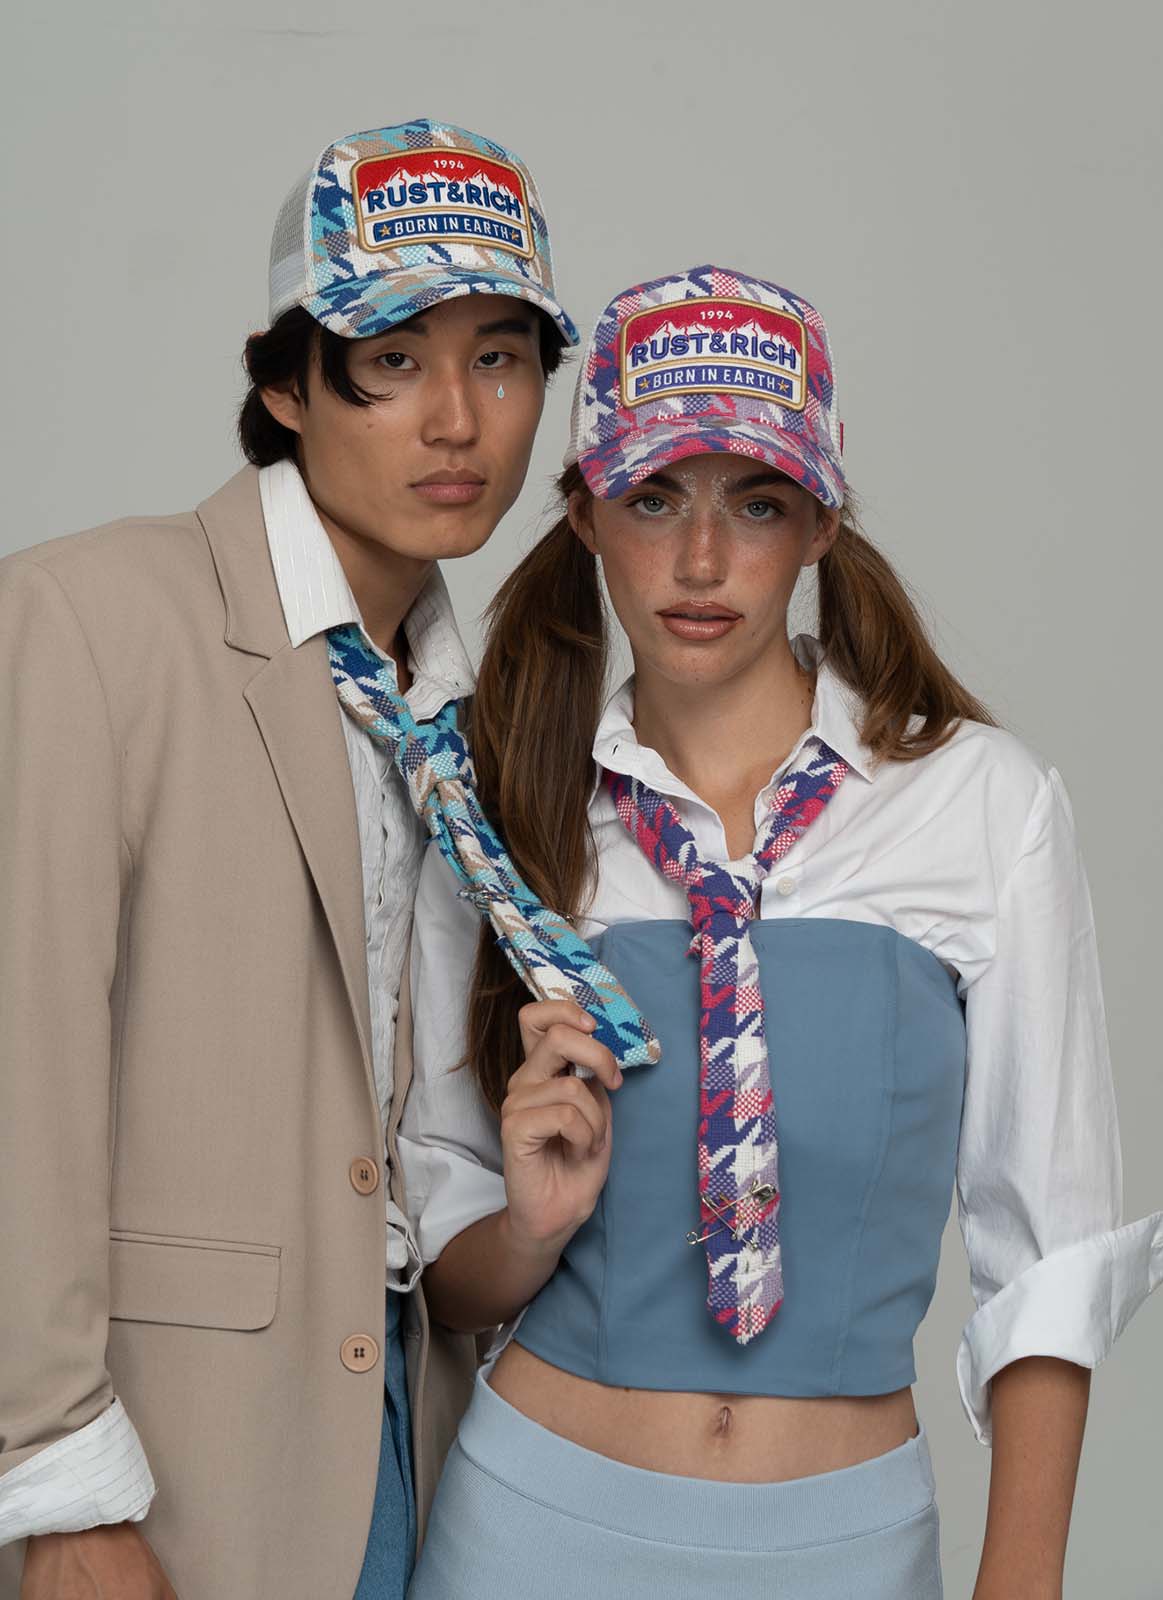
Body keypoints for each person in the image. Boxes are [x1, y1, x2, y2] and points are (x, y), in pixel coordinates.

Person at [397, 265, 1163, 1598]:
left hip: (847, 1549)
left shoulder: (983, 809)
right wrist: (529, 1227)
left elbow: (1047, 1241)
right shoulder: (503, 813)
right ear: (586, 513)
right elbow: (450, 1266)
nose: (703, 563)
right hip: (532, 1522)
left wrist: (1025, 1574)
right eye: (654, 500)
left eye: (755, 504)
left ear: (819, 525)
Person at [0, 118, 576, 1600]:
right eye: (393, 359)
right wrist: (54, 1486)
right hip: (172, 1459)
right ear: (284, 383)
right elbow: (21, 1068)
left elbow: (402, 1139)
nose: (456, 420)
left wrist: (521, 1224)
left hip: (413, 1438)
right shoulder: (88, 621)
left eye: (499, 358)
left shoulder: (463, 707)